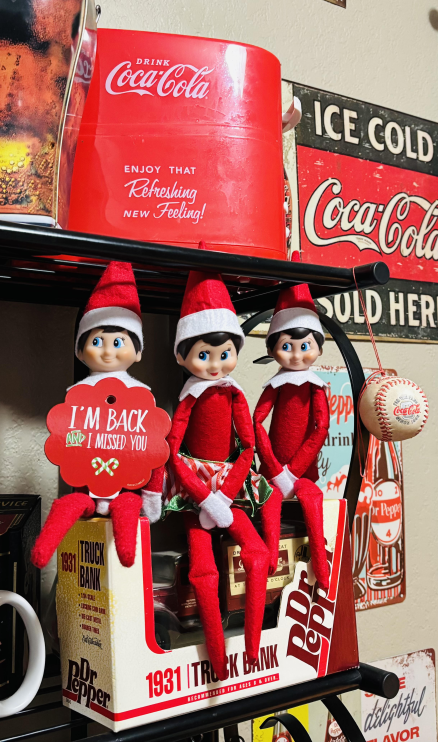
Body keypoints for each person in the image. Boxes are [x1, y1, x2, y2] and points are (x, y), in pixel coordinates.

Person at [164, 268, 270, 680]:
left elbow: (248, 447)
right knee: (203, 571)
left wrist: (224, 495)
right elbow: (173, 451)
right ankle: (218, 660)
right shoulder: (189, 397)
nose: (215, 364)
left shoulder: (235, 393)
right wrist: (204, 497)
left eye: (224, 354)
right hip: (194, 492)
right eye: (203, 355)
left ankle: (253, 648)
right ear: (182, 357)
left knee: (258, 553)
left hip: (230, 488)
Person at [31, 262, 163, 569]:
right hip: (85, 489)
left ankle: (126, 562)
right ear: (80, 351)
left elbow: (155, 448)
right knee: (70, 504)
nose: (107, 352)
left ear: (137, 351)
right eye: (96, 342)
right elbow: (69, 441)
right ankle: (41, 553)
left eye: (118, 343)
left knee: (128, 507)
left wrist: (152, 494)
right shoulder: (76, 395)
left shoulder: (142, 396)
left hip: (128, 489)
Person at [253, 284, 330, 585]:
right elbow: (257, 422)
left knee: (312, 501)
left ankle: (322, 568)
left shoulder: (315, 386)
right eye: (287, 347)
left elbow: (321, 429)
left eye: (305, 346)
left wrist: (294, 471)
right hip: (272, 472)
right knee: (269, 504)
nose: (296, 355)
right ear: (272, 349)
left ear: (319, 348)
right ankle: (270, 567)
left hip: (303, 473)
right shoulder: (276, 385)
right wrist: (274, 469)